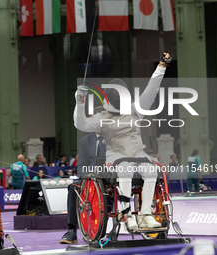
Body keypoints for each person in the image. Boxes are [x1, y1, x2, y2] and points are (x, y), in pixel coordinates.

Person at [73, 53, 171, 230]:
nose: (118, 97)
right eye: (114, 94)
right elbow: (81, 124)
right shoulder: (101, 117)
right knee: (125, 169)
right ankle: (125, 215)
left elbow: (151, 90)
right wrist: (80, 102)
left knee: (150, 171)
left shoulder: (135, 110)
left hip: (137, 152)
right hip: (116, 154)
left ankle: (145, 214)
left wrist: (161, 67)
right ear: (109, 96)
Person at [60, 106, 107, 244]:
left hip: (107, 180)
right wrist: (88, 177)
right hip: (88, 179)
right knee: (73, 187)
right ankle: (71, 231)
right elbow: (80, 166)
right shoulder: (85, 141)